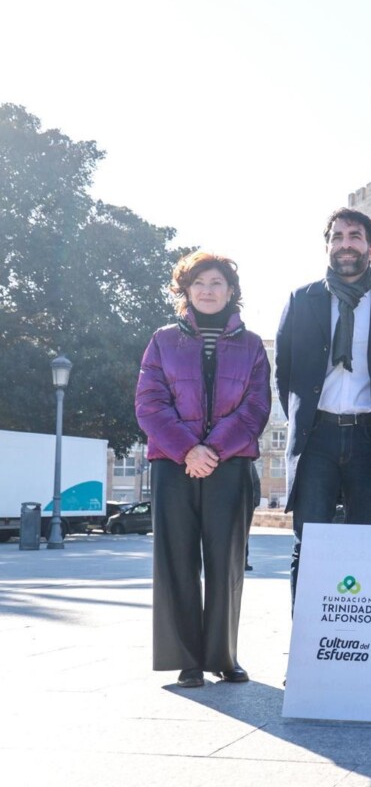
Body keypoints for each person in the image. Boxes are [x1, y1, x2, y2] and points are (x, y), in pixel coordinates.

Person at [135, 251, 270, 687]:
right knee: (176, 560)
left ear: (232, 291)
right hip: (174, 465)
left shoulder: (251, 345)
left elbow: (256, 408)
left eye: (217, 283)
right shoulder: (161, 340)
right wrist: (188, 450)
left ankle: (223, 656)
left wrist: (211, 449)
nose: (208, 290)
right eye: (199, 283)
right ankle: (187, 660)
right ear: (186, 291)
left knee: (226, 561)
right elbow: (149, 404)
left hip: (231, 464)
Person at [275, 208, 371, 606]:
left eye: (354, 236)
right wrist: (305, 420)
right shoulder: (302, 300)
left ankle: (360, 655)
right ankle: (305, 659)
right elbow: (285, 373)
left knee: (366, 543)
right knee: (310, 544)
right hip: (317, 439)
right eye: (337, 237)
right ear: (328, 246)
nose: (345, 244)